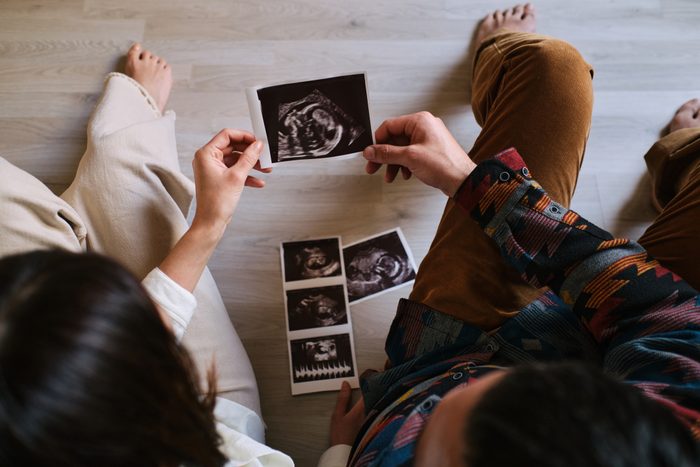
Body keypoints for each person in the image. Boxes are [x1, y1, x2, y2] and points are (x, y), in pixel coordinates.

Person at [322, 4, 700, 467]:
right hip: (635, 338)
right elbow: (669, 316)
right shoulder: (682, 434)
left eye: (425, 445)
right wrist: (473, 185)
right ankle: (681, 161)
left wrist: (341, 452)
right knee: (555, 69)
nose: (475, 384)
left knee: (549, 67)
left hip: (440, 350)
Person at [0, 44, 296, 465]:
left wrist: (209, 222)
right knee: (119, 166)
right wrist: (210, 223)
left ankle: (130, 130)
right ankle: (134, 123)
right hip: (209, 412)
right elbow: (144, 336)